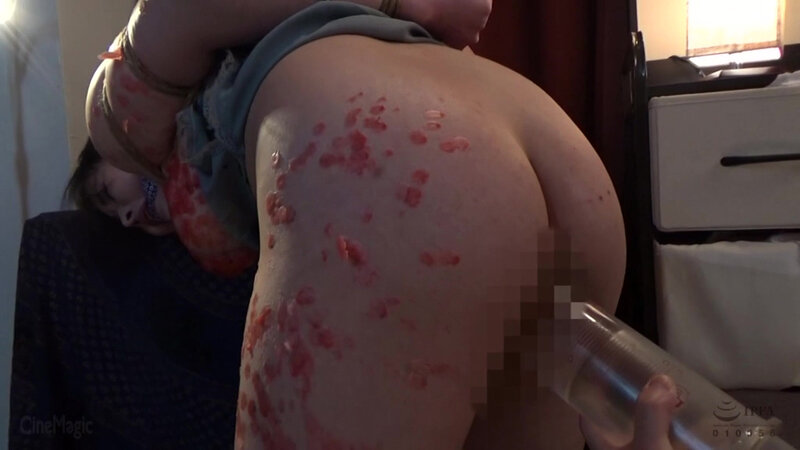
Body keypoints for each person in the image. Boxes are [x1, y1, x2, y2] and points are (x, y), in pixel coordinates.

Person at [81, 0, 681, 447]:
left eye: (108, 197)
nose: (127, 214)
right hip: (558, 158)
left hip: (398, 164)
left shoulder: (127, 111)